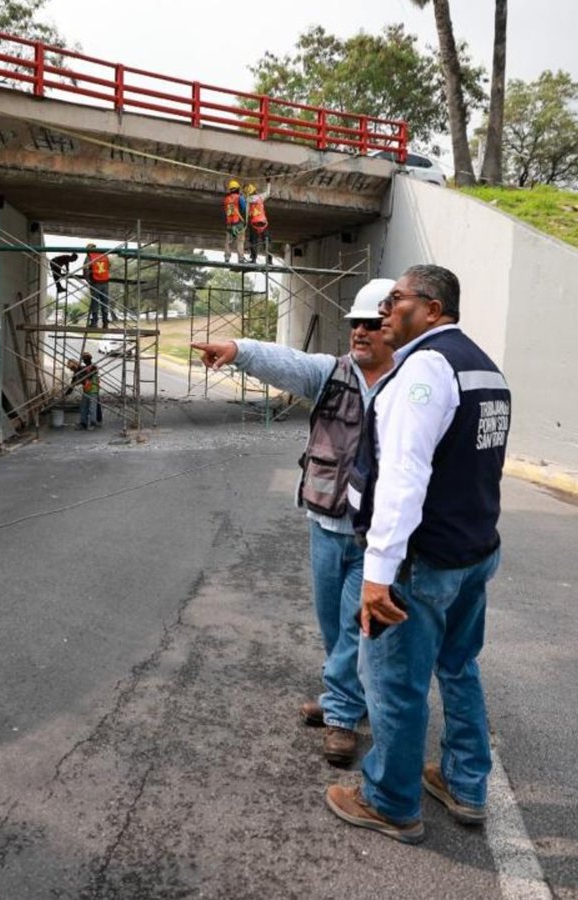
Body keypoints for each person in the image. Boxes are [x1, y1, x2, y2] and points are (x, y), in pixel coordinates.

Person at [324, 264, 512, 845]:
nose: (384, 311)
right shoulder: (484, 366)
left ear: (432, 308)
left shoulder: (424, 371)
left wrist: (378, 576)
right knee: (458, 667)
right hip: (473, 552)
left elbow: (405, 480)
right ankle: (464, 782)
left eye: (396, 300)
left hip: (424, 562)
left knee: (395, 683)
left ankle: (390, 800)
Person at [190, 278, 397, 768]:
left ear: (395, 330)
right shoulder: (331, 375)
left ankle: (342, 717)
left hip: (375, 538)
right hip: (325, 526)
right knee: (333, 625)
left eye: (372, 324)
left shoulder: (409, 385)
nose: (360, 332)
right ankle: (345, 695)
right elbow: (285, 361)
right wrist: (237, 349)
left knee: (354, 628)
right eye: (355, 324)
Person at [83, 244, 112, 328]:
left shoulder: (90, 257)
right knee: (105, 303)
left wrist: (87, 279)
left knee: (95, 302)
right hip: (105, 282)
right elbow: (109, 266)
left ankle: (94, 323)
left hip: (95, 282)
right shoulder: (104, 256)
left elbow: (85, 269)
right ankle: (105, 323)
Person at [70, 351, 100, 429]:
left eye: (86, 358)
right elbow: (74, 382)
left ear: (90, 359)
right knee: (83, 407)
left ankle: (93, 423)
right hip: (86, 390)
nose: (85, 360)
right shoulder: (82, 368)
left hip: (93, 390)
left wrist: (79, 372)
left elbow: (88, 376)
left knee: (92, 408)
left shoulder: (93, 367)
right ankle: (83, 423)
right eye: (84, 359)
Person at [244, 182, 272, 264]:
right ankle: (269, 260)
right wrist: (268, 183)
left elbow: (247, 213)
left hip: (254, 224)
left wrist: (245, 224)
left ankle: (254, 259)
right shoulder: (261, 197)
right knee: (266, 241)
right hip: (263, 223)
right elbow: (268, 193)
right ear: (254, 190)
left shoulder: (248, 199)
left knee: (253, 242)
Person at [222, 179, 248, 263]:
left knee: (228, 242)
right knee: (240, 241)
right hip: (238, 223)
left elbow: (226, 210)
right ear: (237, 189)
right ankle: (240, 258)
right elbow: (244, 208)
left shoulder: (226, 199)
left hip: (229, 223)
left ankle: (227, 257)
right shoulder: (239, 198)